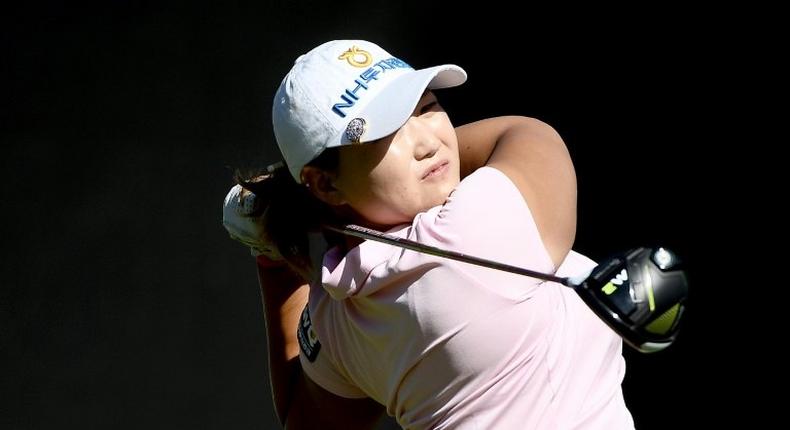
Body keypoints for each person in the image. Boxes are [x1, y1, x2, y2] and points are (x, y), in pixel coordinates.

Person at [222, 39, 634, 429]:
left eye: (426, 107)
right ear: (326, 185)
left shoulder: (335, 317)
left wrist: (273, 258)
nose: (427, 142)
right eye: (388, 131)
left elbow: (303, 418)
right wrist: (293, 200)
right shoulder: (473, 230)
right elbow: (527, 134)